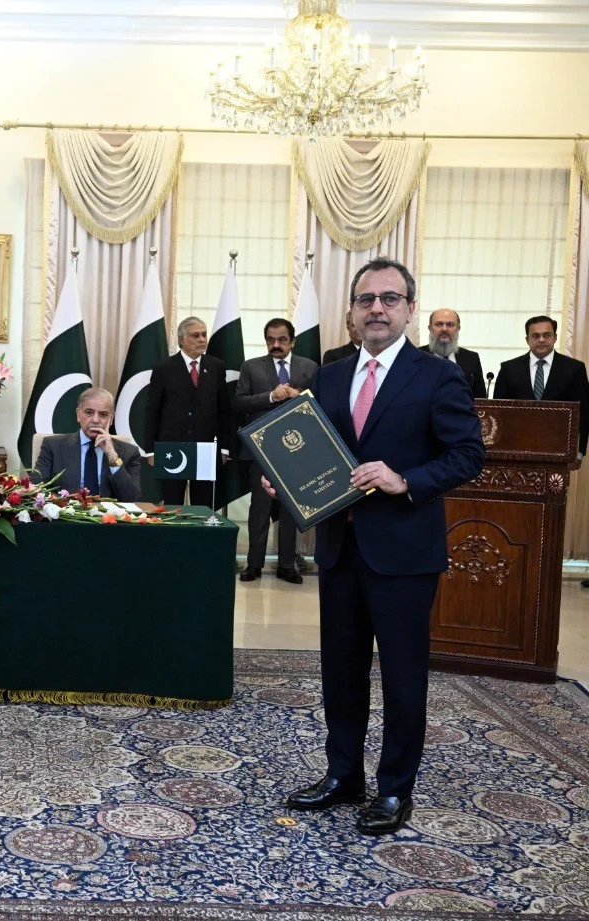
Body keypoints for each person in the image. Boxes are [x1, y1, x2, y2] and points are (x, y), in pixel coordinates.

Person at [270, 258, 484, 834]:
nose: (377, 309)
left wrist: (404, 479)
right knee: (341, 672)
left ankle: (394, 790)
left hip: (404, 554)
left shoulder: (438, 376)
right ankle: (344, 775)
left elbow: (468, 456)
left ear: (410, 309)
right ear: (352, 311)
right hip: (339, 549)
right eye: (366, 300)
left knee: (402, 677)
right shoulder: (330, 376)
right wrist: (283, 479)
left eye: (390, 299)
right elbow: (314, 453)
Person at [234, 319, 317, 584]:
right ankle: (254, 564)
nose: (276, 345)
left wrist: (298, 395)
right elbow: (239, 402)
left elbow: (320, 403)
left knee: (291, 509)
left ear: (292, 341)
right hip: (262, 449)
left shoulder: (309, 367)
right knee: (259, 508)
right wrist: (271, 396)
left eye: (281, 340)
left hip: (296, 449)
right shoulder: (251, 367)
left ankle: (286, 565)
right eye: (270, 339)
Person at [141, 317, 231, 508]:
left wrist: (224, 448)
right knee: (173, 504)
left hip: (205, 448)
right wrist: (150, 450)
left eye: (204, 334)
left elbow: (224, 410)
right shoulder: (164, 368)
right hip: (171, 448)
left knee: (203, 505)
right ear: (181, 339)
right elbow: (152, 411)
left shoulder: (216, 366)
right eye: (195, 335)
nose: (202, 339)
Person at [493, 315, 589, 455]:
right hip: (517, 448)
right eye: (536, 336)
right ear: (527, 340)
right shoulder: (509, 369)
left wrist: (579, 452)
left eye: (547, 335)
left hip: (560, 449)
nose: (542, 340)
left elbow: (584, 412)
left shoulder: (574, 369)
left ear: (555, 338)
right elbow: (499, 412)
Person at [36, 387, 142, 500]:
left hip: (109, 511)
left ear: (111, 419)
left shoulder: (130, 452)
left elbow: (132, 499)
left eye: (103, 415)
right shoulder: (53, 446)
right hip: (66, 509)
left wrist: (113, 457)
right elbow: (37, 490)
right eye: (89, 413)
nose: (95, 420)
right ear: (78, 414)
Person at [419, 308, 487, 399]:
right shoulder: (416, 356)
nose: (444, 329)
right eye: (439, 324)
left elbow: (480, 399)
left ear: (458, 328)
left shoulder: (471, 358)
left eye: (450, 325)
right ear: (430, 328)